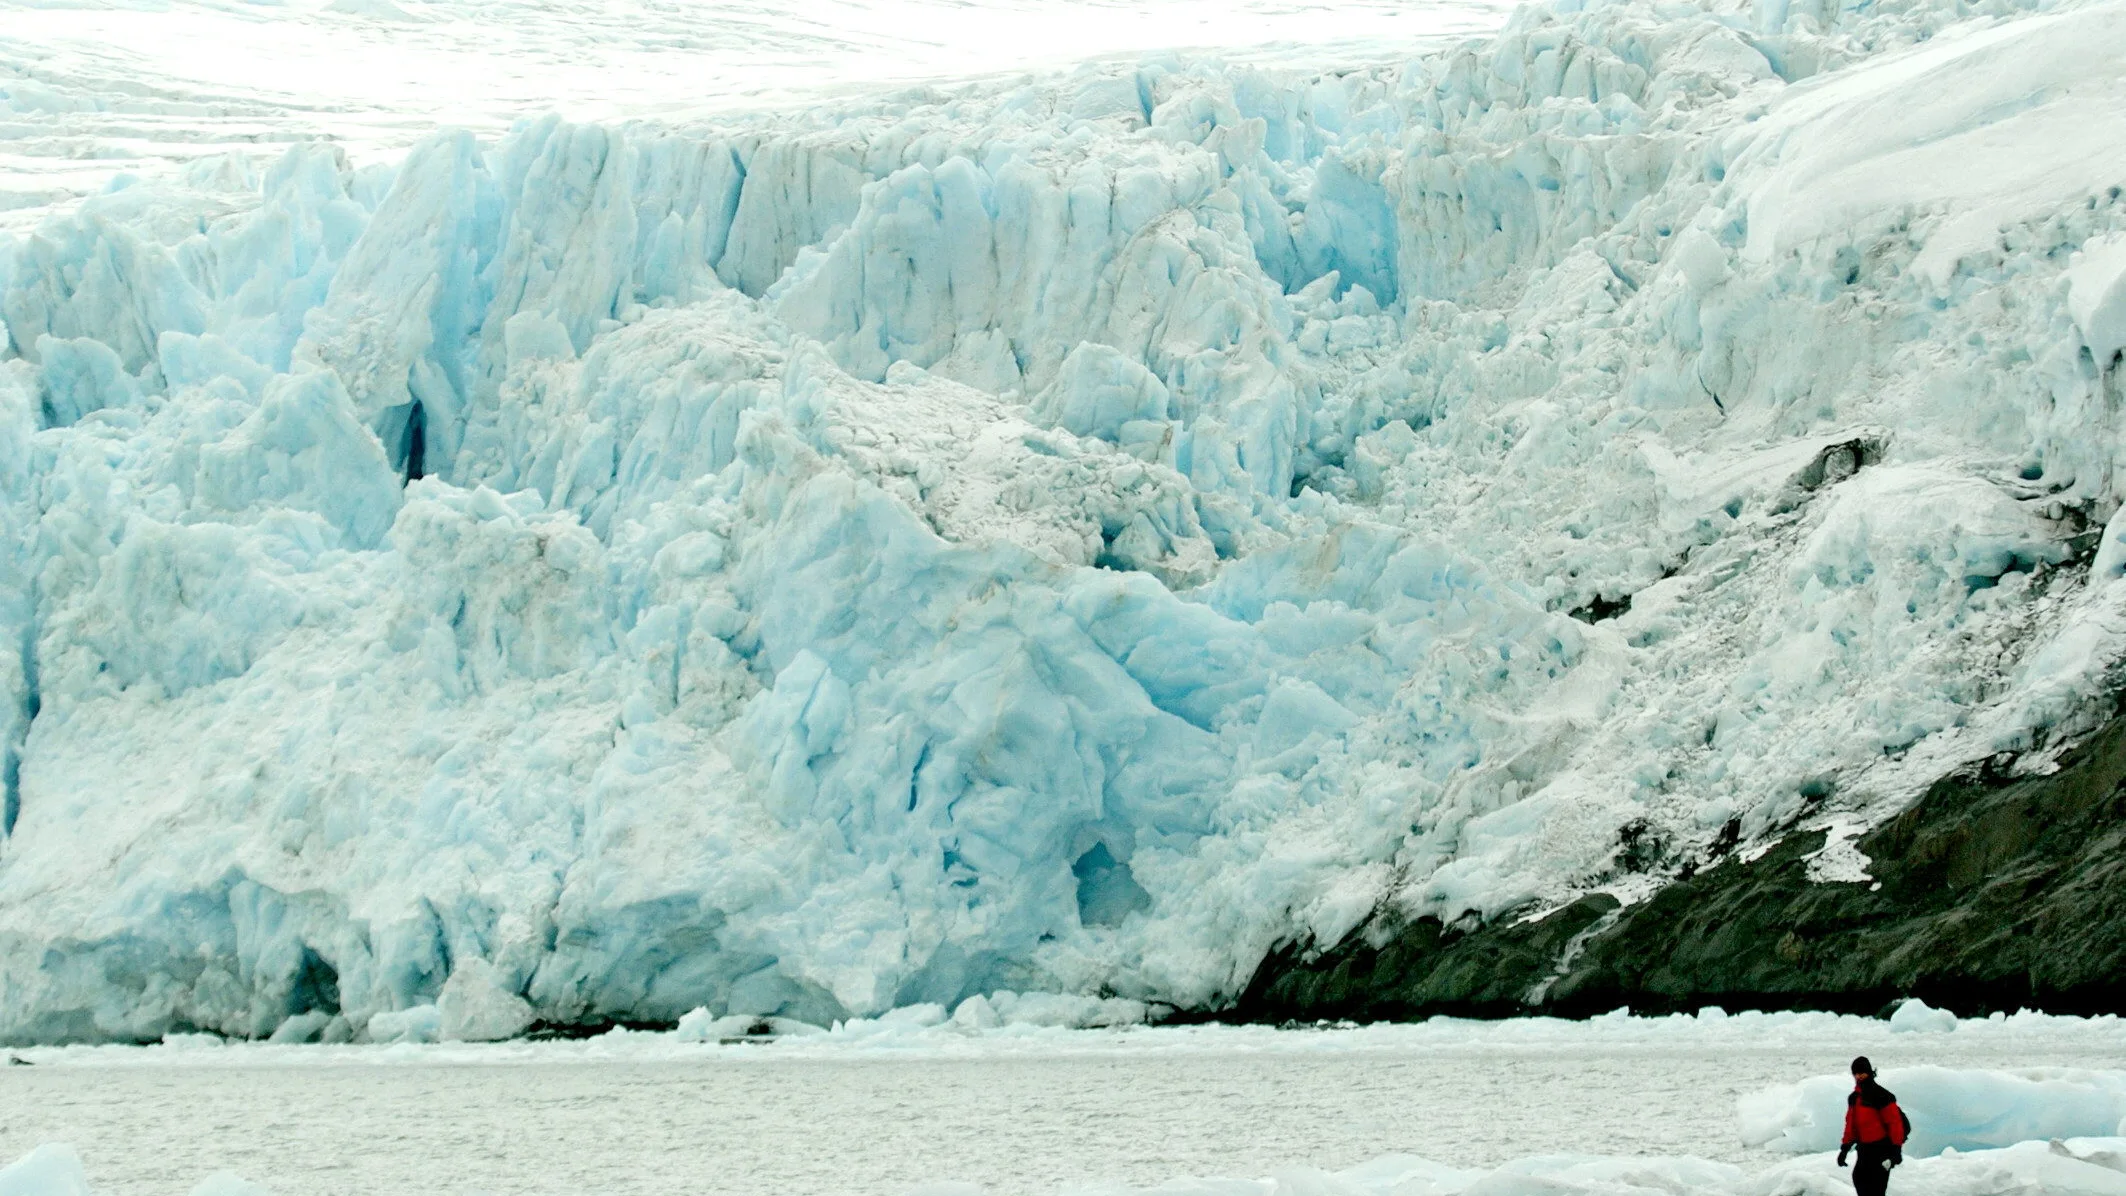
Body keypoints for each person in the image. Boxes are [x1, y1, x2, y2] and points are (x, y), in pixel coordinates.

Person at [1837, 1056, 1908, 1196]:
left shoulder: (1882, 1096)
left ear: (1869, 1072)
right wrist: (1844, 1149)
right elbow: (1851, 1125)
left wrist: (1896, 1149)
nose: (1859, 1076)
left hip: (1882, 1150)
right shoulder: (1854, 1098)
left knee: (1876, 1190)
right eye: (1856, 1073)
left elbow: (1895, 1124)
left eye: (1862, 1072)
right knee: (1859, 1180)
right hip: (1864, 1150)